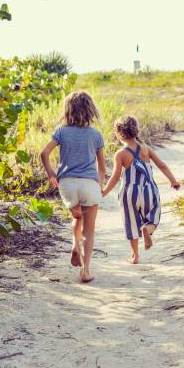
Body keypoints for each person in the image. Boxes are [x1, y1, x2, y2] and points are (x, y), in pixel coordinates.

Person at [40, 91, 105, 282]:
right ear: (91, 110)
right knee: (89, 229)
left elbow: (44, 153)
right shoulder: (96, 134)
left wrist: (51, 173)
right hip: (89, 184)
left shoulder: (61, 132)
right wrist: (99, 186)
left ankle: (75, 245)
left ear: (68, 110)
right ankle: (85, 271)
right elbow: (101, 167)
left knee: (77, 217)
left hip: (67, 185)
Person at [102, 116, 180, 264]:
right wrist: (173, 180)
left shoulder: (120, 154)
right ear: (136, 130)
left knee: (131, 223)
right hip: (148, 190)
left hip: (128, 192)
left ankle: (135, 256)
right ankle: (147, 229)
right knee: (154, 214)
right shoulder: (145, 148)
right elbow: (162, 165)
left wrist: (104, 191)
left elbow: (115, 176)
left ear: (118, 134)